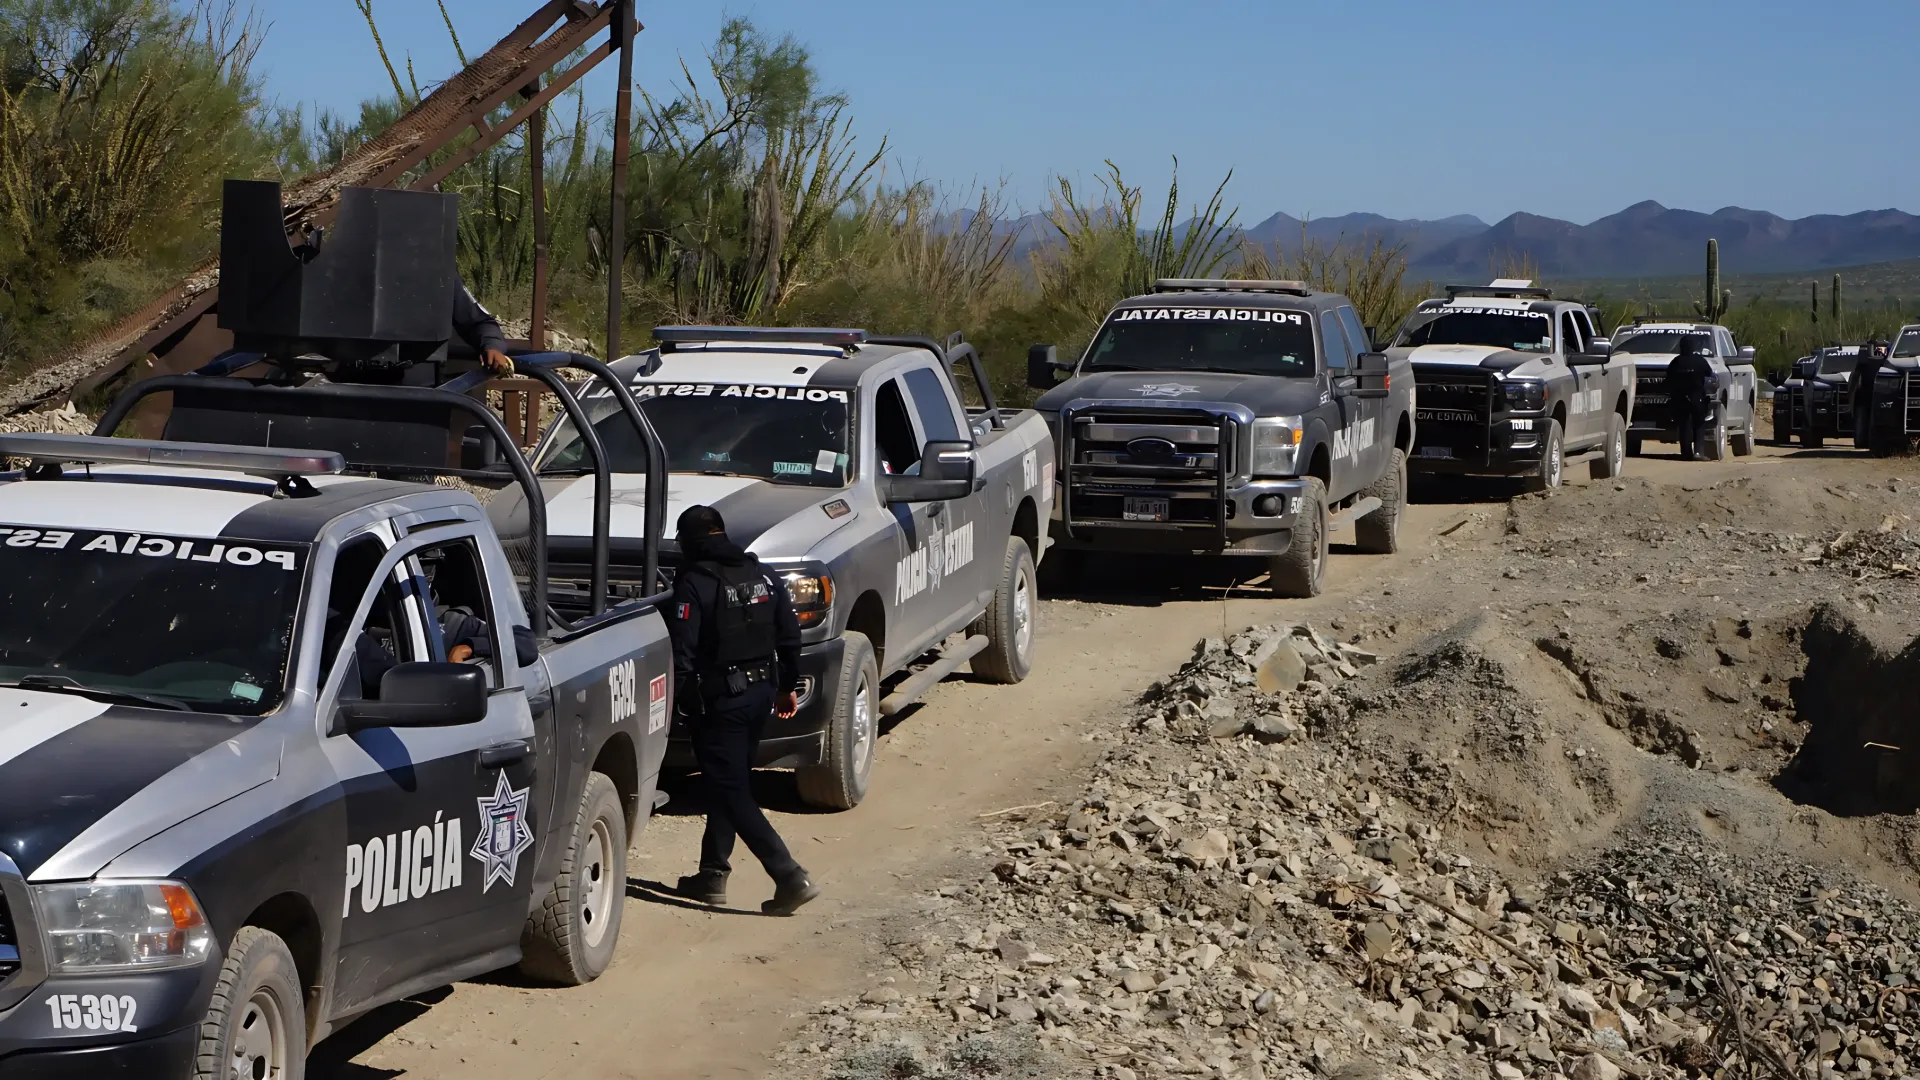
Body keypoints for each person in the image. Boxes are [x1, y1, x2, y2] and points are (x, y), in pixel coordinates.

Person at [667, 504, 820, 916]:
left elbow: (684, 650)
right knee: (729, 779)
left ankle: (789, 875)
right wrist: (787, 687)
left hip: (721, 700)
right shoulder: (764, 574)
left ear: (691, 541)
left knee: (730, 787)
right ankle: (712, 873)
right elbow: (790, 636)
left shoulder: (695, 582)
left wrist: (679, 701)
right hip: (761, 693)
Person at [1666, 336, 1715, 460]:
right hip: (1697, 398)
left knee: (1684, 425)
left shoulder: (1675, 362)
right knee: (1699, 424)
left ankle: (1686, 452)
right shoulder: (1700, 361)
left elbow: (1668, 379)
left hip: (1679, 399)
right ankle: (1698, 452)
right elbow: (1710, 374)